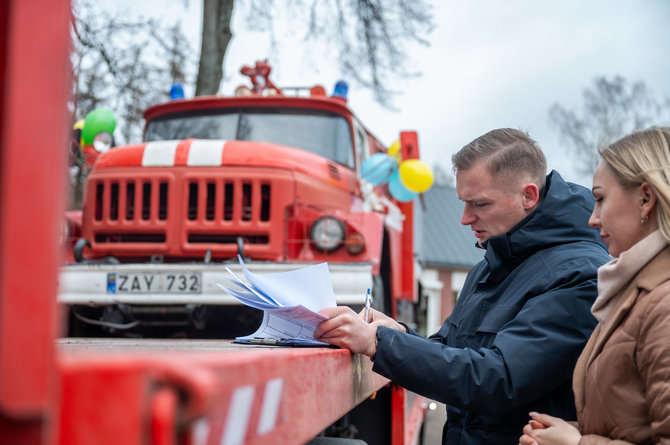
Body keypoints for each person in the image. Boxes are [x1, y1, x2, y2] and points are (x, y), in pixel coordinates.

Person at [314, 128, 611, 444]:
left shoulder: (580, 274)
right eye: (463, 202)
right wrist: (396, 334)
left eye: (479, 204)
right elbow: (453, 353)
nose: (465, 218)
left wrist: (380, 343)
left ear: (529, 196)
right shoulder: (489, 267)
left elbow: (498, 379)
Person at [518, 127, 670, 445]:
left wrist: (575, 444)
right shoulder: (633, 294)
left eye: (600, 199)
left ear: (646, 199)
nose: (592, 219)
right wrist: (568, 432)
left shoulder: (663, 304)